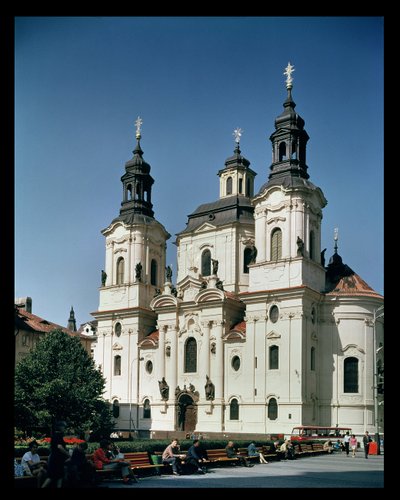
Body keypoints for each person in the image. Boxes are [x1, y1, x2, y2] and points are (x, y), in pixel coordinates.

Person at [41, 421, 71, 488]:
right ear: (60, 427)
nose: (64, 428)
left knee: (59, 477)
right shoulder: (58, 436)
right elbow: (60, 447)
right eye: (64, 427)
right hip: (56, 460)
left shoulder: (55, 435)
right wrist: (68, 455)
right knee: (52, 477)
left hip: (57, 460)